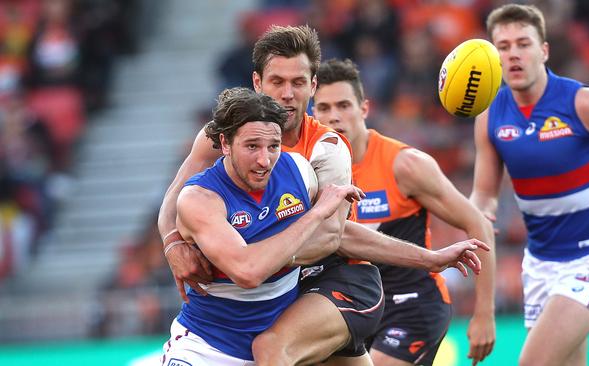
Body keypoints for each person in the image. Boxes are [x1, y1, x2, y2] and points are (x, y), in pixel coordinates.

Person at [158, 25, 489, 365]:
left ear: (313, 86)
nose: (287, 94)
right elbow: (178, 196)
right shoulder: (221, 134)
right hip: (283, 288)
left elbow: (332, 237)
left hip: (339, 277)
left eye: (298, 83)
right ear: (257, 83)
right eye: (277, 82)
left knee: (271, 349)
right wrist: (173, 243)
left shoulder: (323, 151)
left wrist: (244, 259)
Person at [470, 4, 589, 366]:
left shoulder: (585, 103)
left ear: (544, 50)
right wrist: (468, 220)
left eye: (523, 43)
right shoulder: (490, 116)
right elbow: (483, 201)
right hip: (538, 266)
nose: (513, 53)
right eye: (503, 47)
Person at [313, 58, 496, 366]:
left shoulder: (405, 165)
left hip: (412, 306)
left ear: (364, 109)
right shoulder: (309, 171)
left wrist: (484, 314)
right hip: (353, 308)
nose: (334, 117)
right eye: (324, 108)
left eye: (344, 105)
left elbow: (477, 223)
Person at [162, 87, 364, 365]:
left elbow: (343, 236)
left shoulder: (298, 171)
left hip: (279, 349)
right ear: (224, 143)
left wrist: (430, 258)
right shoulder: (200, 199)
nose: (264, 160)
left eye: (273, 146)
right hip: (208, 349)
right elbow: (248, 271)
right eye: (252, 146)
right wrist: (316, 213)